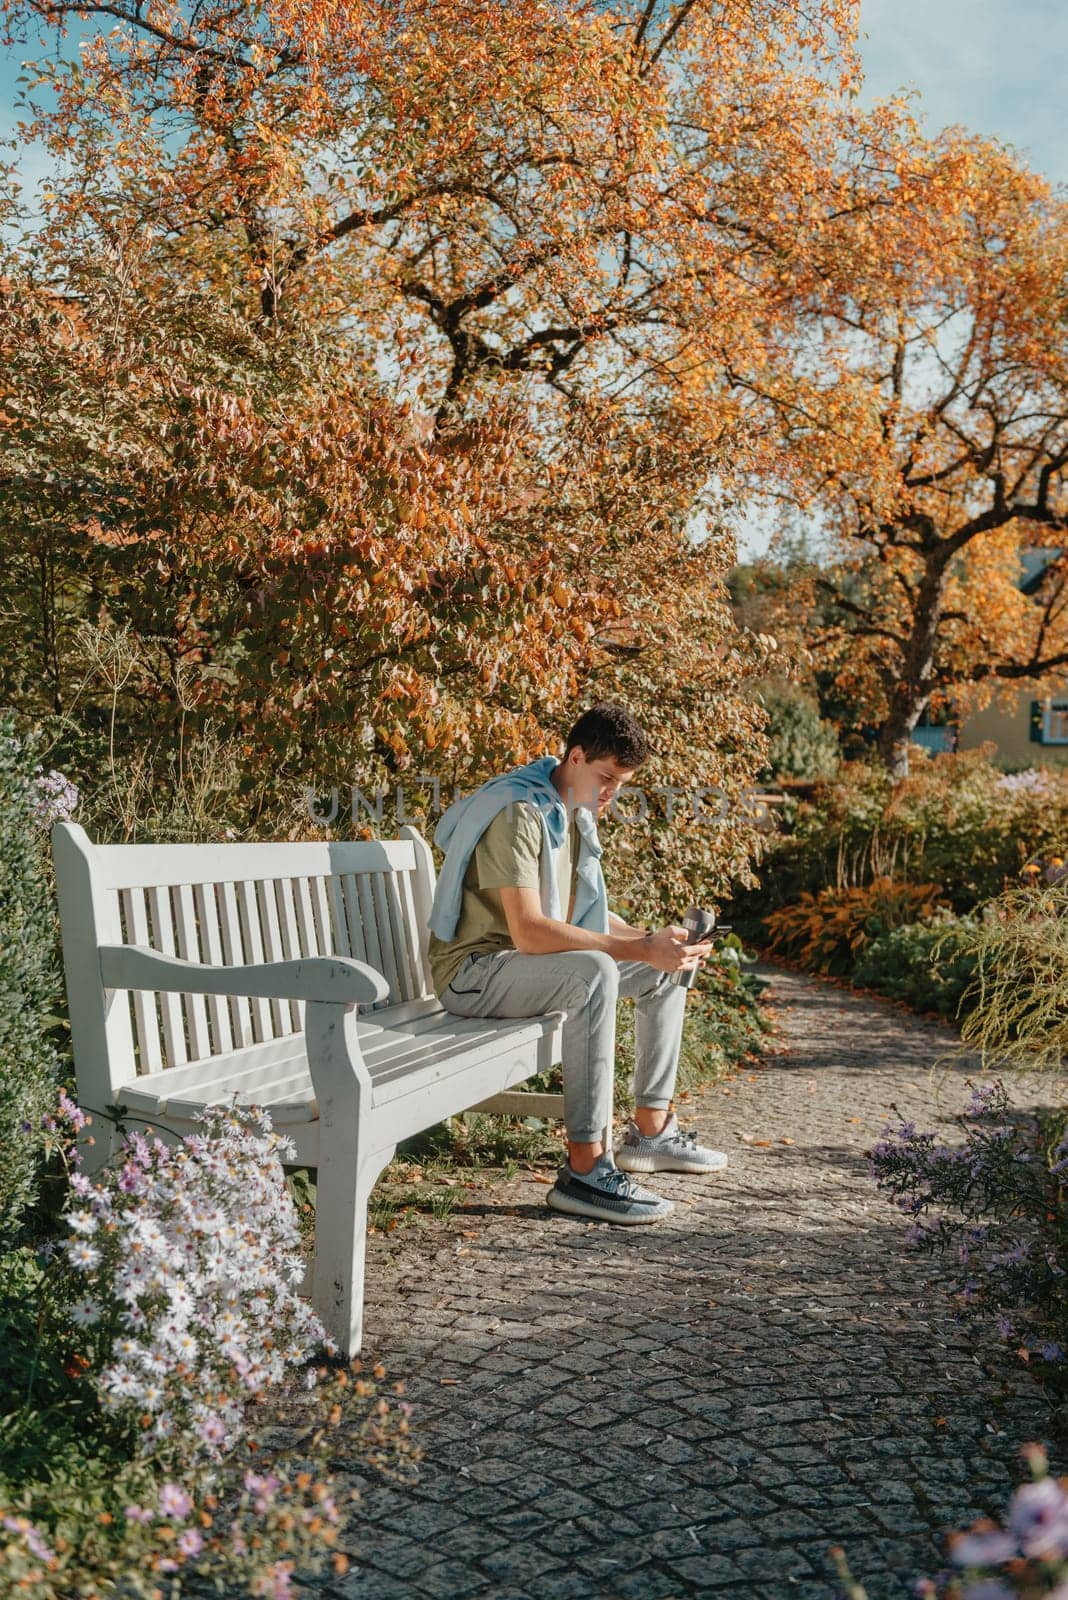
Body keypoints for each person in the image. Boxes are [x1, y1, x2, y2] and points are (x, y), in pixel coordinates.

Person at [426, 702, 728, 1225]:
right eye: (606, 777)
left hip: (520, 969)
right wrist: (636, 948)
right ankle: (585, 1170)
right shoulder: (520, 811)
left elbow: (578, 913)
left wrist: (654, 943)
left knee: (664, 968)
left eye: (622, 783)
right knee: (596, 972)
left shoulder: (567, 811)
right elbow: (530, 930)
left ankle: (651, 1134)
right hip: (473, 974)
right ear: (576, 755)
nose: (611, 792)